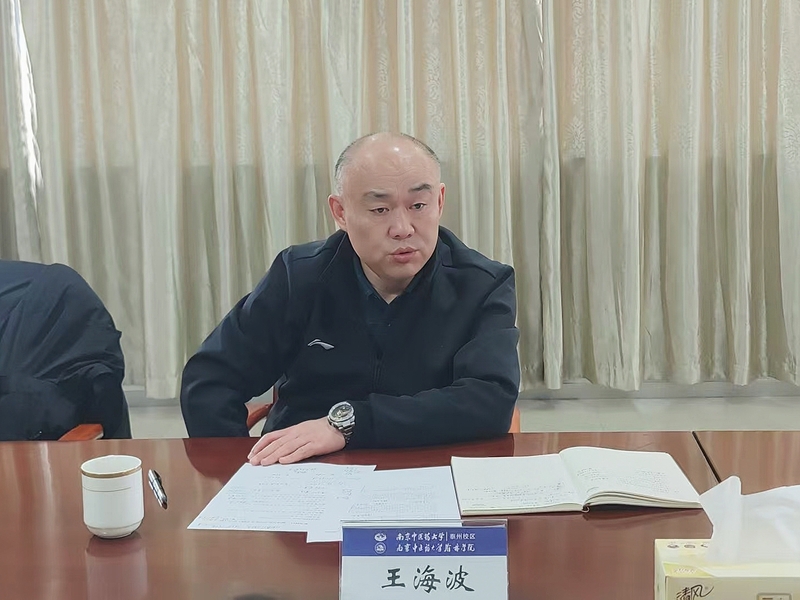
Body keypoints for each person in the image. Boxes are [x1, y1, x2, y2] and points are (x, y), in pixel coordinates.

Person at [180, 132, 520, 465]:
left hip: (427, 469)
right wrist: (241, 471)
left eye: (418, 205)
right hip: (306, 475)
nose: (403, 228)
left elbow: (490, 400)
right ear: (340, 212)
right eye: (380, 209)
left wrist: (347, 424)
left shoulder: (482, 284)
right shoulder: (299, 276)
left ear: (440, 201)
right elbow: (210, 381)